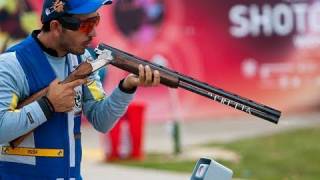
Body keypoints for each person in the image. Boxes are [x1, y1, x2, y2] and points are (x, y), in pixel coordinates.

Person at [0, 0, 160, 179]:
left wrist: (127, 87)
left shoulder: (82, 60)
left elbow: (102, 121)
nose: (94, 32)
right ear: (56, 26)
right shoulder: (11, 65)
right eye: (86, 25)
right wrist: (47, 105)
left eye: (96, 21)